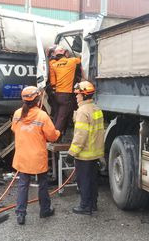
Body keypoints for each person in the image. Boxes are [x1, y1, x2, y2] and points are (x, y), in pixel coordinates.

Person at [11, 86, 61, 225]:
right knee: (42, 184)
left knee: (23, 185)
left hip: (22, 157)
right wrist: (58, 133)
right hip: (37, 158)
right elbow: (52, 136)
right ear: (38, 99)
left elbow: (14, 129)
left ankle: (20, 214)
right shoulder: (42, 116)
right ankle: (45, 210)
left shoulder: (17, 114)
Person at [65, 81, 105, 215]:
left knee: (84, 181)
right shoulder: (96, 109)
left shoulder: (82, 111)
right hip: (95, 153)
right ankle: (93, 204)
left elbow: (80, 135)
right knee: (93, 180)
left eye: (78, 94)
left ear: (84, 95)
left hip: (84, 154)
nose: (76, 97)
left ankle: (85, 206)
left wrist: (71, 153)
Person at [48, 46, 82, 136]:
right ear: (65, 53)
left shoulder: (54, 65)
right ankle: (55, 136)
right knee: (62, 117)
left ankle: (55, 133)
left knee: (57, 115)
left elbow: (52, 81)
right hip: (66, 95)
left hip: (57, 94)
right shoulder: (72, 61)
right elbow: (81, 59)